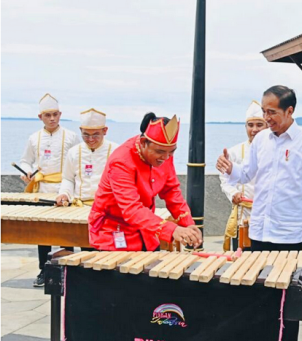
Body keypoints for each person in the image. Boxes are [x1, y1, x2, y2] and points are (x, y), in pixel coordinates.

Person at [217, 85, 302, 341]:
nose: (266, 118)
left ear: (290, 111)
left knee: (289, 298)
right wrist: (230, 169)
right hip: (259, 230)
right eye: (264, 112)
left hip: (290, 234)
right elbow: (246, 175)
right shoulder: (261, 141)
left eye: (272, 112)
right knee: (259, 293)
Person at [88, 113, 201, 251]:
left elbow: (171, 191)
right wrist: (172, 230)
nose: (166, 157)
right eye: (160, 152)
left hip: (147, 230)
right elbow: (131, 209)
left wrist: (188, 224)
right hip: (113, 232)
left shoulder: (164, 153)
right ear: (143, 143)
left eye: (171, 152)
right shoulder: (121, 162)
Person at [18, 93, 80, 287]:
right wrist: (27, 172)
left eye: (55, 114)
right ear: (40, 117)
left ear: (60, 114)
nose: (52, 118)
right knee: (42, 232)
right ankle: (44, 270)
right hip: (42, 188)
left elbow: (79, 161)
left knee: (66, 230)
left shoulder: (71, 136)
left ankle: (68, 270)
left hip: (65, 188)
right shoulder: (33, 138)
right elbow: (25, 161)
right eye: (48, 115)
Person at [220, 101, 266, 251]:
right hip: (243, 215)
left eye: (259, 125)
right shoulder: (234, 151)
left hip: (268, 216)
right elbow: (225, 180)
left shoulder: (275, 150)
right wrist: (233, 194)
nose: (254, 129)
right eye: (250, 125)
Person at [56, 108, 118, 208]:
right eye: (86, 135)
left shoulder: (116, 151)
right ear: (80, 130)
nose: (90, 139)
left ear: (105, 131)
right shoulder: (73, 152)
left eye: (96, 135)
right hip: (79, 206)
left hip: (107, 208)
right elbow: (68, 179)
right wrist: (64, 194)